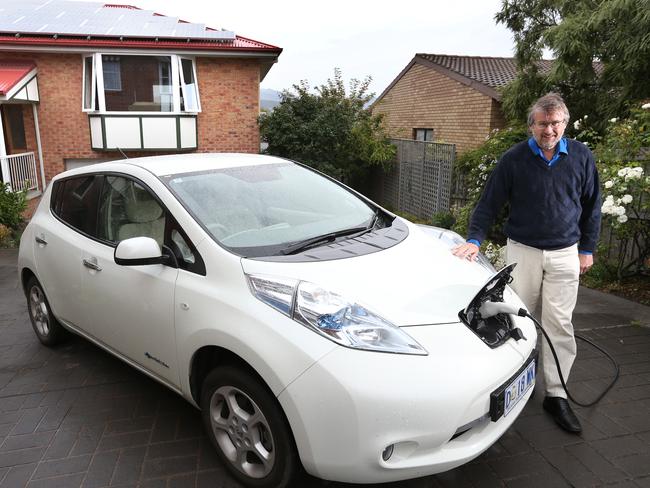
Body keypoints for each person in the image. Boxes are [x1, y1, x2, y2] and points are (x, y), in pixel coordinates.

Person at [452, 93, 601, 433]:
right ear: (531, 125)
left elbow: (593, 205)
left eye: (555, 123)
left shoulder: (580, 155)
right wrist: (474, 239)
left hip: (566, 253)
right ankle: (516, 383)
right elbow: (488, 203)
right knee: (519, 320)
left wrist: (587, 248)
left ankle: (556, 394)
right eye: (542, 124)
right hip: (523, 252)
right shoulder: (514, 159)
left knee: (559, 323)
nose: (549, 130)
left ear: (565, 123)